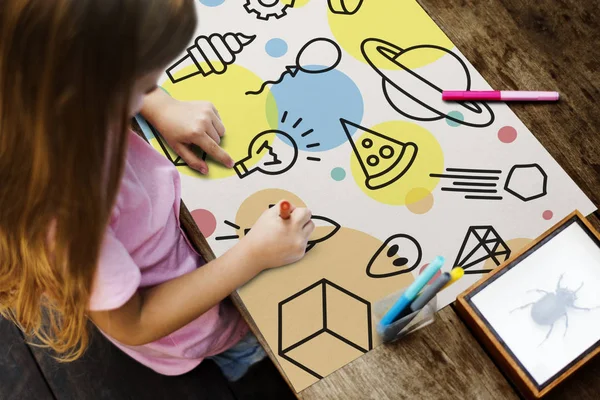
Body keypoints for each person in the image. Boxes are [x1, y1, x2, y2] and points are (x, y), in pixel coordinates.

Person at [0, 0, 314, 382]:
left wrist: (157, 103)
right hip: (197, 322)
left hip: (181, 236)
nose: (157, 80)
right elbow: (135, 322)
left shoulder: (37, 102)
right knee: (256, 343)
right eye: (145, 80)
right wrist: (253, 255)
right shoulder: (64, 216)